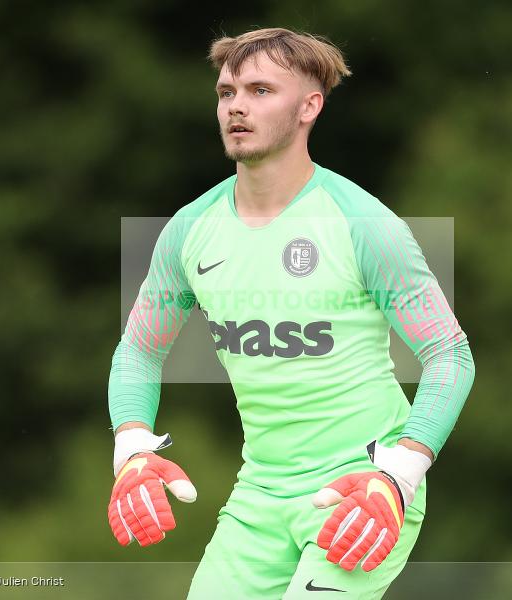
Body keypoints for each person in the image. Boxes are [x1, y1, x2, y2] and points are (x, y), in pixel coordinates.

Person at [107, 27, 475, 599]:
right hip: (258, 498)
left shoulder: (363, 225)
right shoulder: (188, 229)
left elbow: (450, 355)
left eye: (259, 90)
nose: (236, 106)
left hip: (361, 493)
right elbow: (140, 348)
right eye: (227, 92)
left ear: (310, 106)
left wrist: (399, 475)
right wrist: (131, 448)